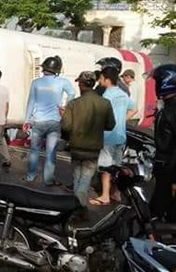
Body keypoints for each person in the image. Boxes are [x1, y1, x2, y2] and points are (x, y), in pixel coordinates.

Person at [60, 71, 115, 212]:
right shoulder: (105, 103)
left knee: (77, 178)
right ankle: (78, 208)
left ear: (81, 85)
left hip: (76, 147)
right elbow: (111, 125)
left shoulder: (73, 104)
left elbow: (66, 126)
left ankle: (77, 209)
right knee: (84, 180)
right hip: (93, 149)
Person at [24, 56, 75, 186]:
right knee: (51, 152)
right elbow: (72, 93)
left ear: (44, 68)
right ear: (57, 69)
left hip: (38, 122)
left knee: (34, 150)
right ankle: (48, 179)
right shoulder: (63, 81)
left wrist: (27, 120)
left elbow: (31, 102)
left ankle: (30, 176)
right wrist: (66, 106)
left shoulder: (36, 82)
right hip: (54, 121)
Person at [90, 66, 136, 207]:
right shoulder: (123, 94)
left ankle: (105, 196)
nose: (99, 81)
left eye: (101, 78)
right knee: (116, 166)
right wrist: (122, 120)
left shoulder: (106, 96)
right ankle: (115, 192)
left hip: (108, 135)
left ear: (107, 79)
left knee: (106, 167)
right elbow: (134, 109)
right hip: (121, 135)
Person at [150, 64, 176, 222]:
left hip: (169, 169)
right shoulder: (168, 107)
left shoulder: (172, 109)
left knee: (160, 212)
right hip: (164, 167)